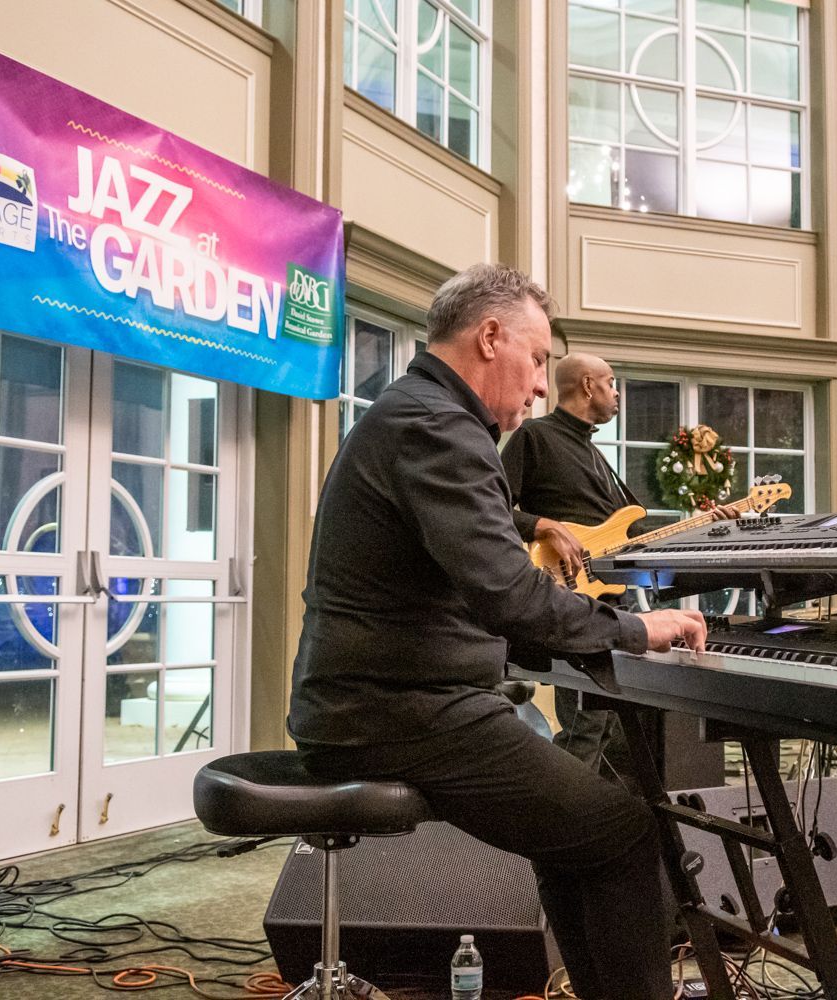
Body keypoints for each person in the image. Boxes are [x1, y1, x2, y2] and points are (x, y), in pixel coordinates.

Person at [286, 263, 705, 999]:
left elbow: (479, 598)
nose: (541, 385)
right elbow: (508, 594)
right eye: (537, 359)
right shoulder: (437, 424)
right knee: (625, 834)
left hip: (391, 700)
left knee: (576, 835)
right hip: (396, 712)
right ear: (488, 337)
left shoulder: (416, 413)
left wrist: (596, 637)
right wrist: (638, 631)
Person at [502, 352, 638, 770]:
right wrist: (542, 525)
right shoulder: (534, 436)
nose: (616, 393)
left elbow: (622, 529)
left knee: (605, 723)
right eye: (611, 382)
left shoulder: (594, 452)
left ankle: (577, 800)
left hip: (608, 603)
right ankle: (557, 801)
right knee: (586, 723)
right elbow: (489, 508)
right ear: (588, 385)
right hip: (568, 600)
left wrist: (711, 524)